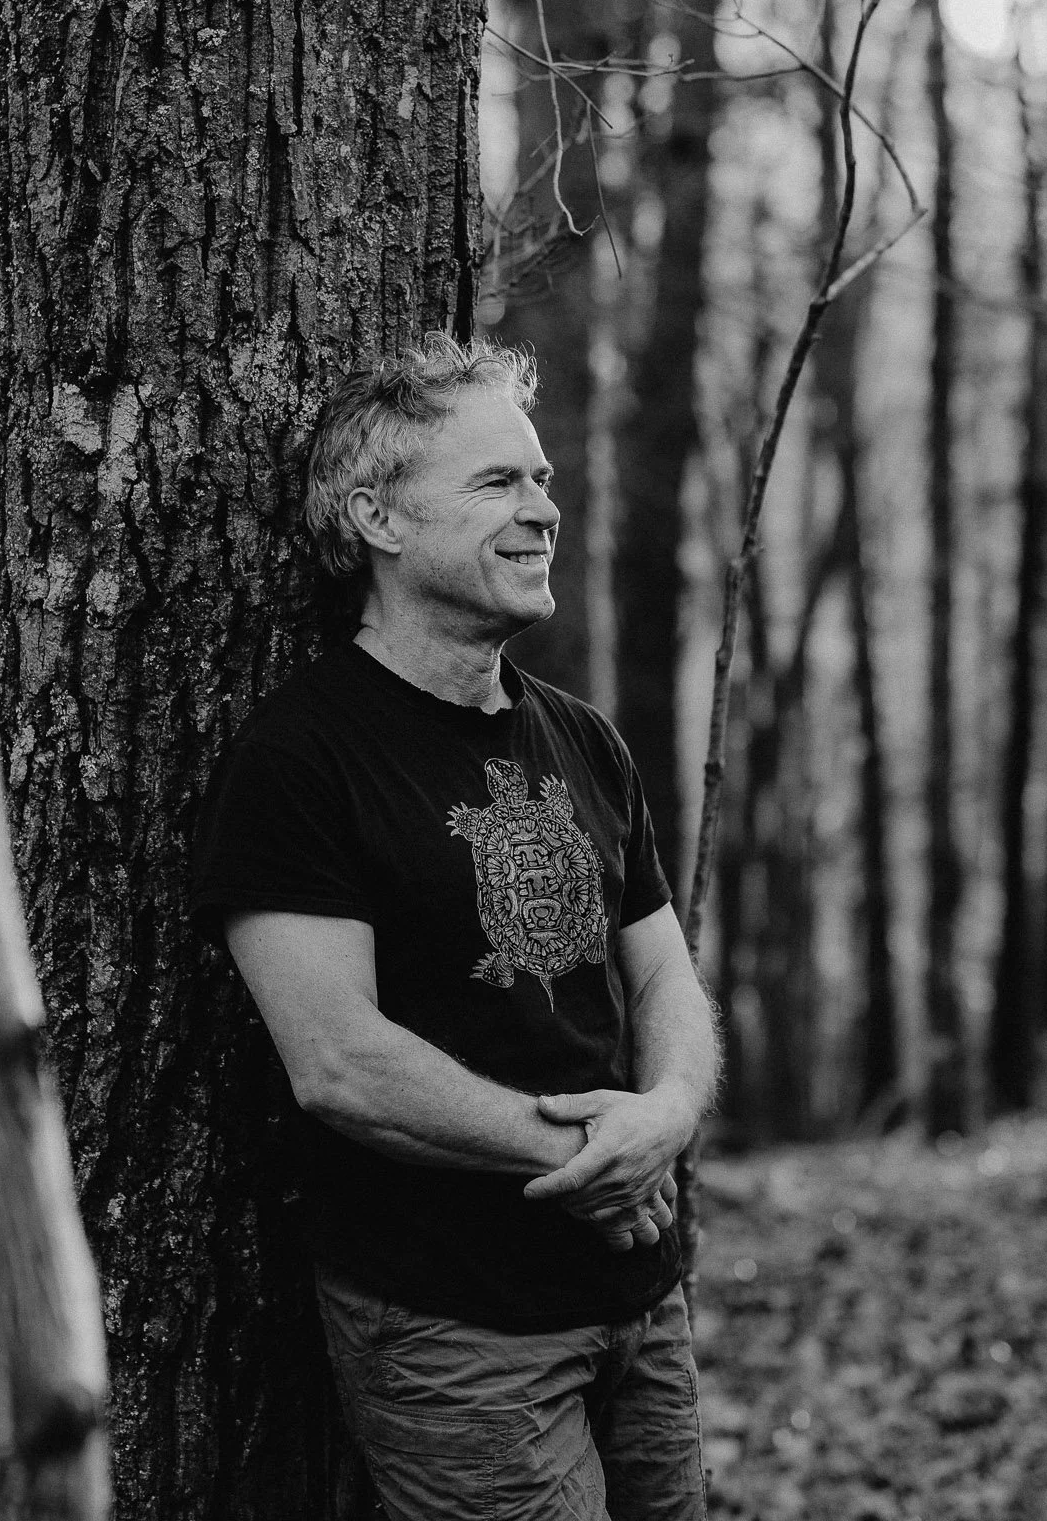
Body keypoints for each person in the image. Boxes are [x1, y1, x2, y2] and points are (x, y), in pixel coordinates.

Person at [191, 333, 720, 1519]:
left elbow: (662, 979)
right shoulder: (299, 760)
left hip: (640, 1292)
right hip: (456, 1331)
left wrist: (669, 1114)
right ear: (377, 517)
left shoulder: (582, 737)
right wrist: (587, 1159)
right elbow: (338, 1061)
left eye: (540, 476)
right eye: (496, 481)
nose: (542, 507)